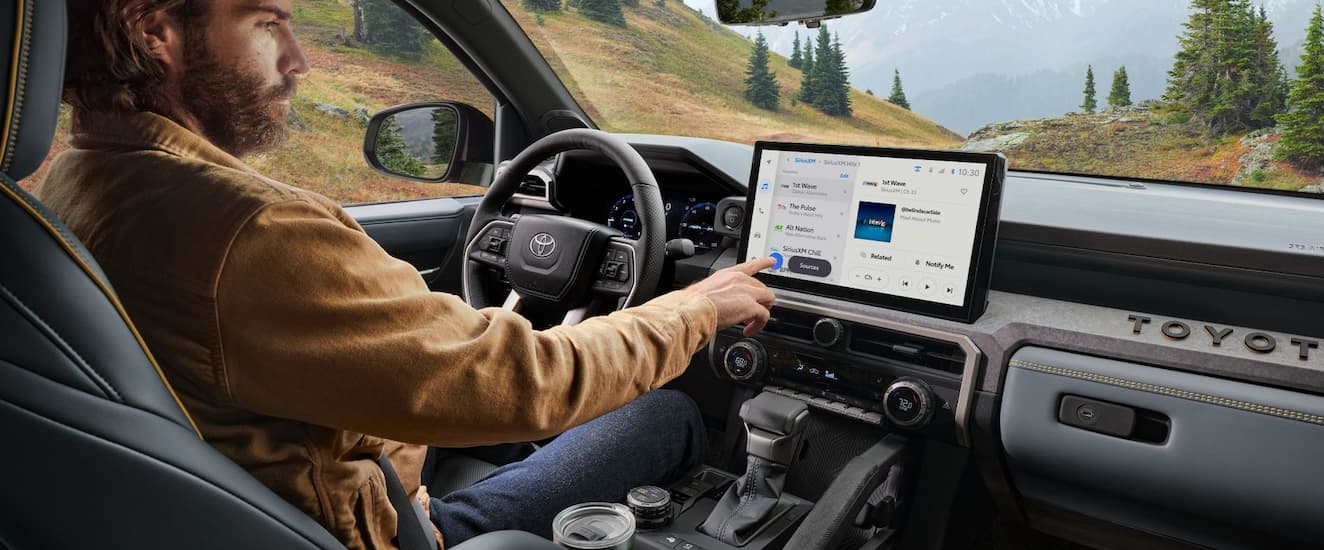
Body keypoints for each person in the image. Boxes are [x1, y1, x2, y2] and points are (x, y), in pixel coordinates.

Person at [38, 0, 777, 548]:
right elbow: (531, 382)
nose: (297, 60)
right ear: (152, 29)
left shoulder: (77, 180)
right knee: (666, 414)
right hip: (398, 533)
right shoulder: (250, 232)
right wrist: (696, 307)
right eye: (266, 23)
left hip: (265, 503)